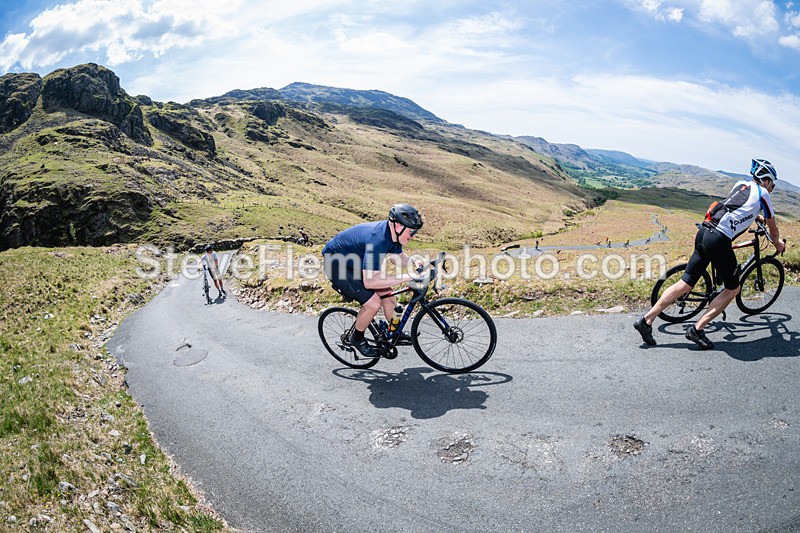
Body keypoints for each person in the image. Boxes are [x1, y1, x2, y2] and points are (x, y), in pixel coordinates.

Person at [634, 159, 785, 350]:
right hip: (719, 240)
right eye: (772, 184)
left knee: (685, 283)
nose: (772, 188)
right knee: (733, 289)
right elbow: (773, 229)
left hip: (705, 231)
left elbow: (736, 206)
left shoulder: (741, 184)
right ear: (766, 180)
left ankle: (646, 321)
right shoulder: (764, 194)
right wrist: (777, 244)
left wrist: (756, 215)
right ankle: (697, 330)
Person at [322, 204, 424, 358]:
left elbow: (397, 258)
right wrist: (409, 277)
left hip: (354, 262)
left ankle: (394, 331)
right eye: (411, 231)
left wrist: (414, 263)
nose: (413, 235)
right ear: (398, 226)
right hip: (336, 265)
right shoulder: (377, 240)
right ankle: (356, 338)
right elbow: (371, 283)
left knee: (388, 295)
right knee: (373, 303)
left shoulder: (392, 234)